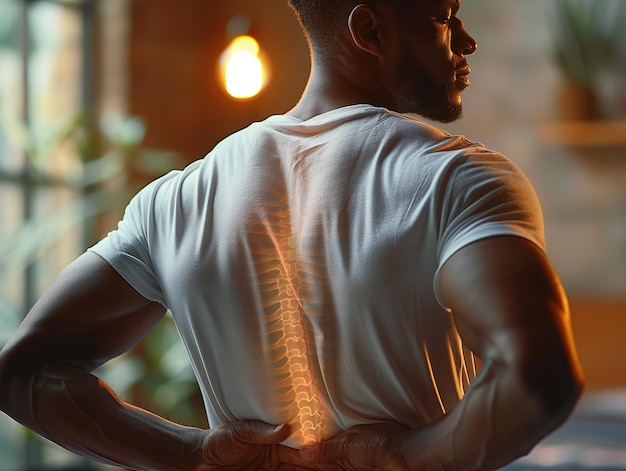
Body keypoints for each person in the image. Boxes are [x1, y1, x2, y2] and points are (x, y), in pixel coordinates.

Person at [0, 0, 584, 470]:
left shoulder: (175, 199)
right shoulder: (457, 179)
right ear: (370, 29)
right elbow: (538, 380)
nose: (466, 40)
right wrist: (403, 459)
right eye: (445, 15)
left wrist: (190, 455)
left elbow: (25, 373)